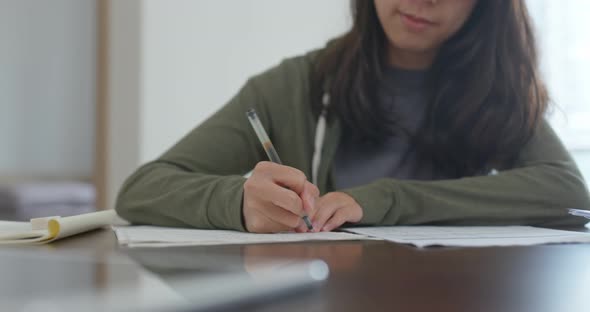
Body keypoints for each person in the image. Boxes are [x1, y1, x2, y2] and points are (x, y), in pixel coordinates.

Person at [115, 0, 590, 233]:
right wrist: (241, 202)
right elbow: (142, 189)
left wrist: (388, 199)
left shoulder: (496, 89)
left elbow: (566, 191)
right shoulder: (296, 84)